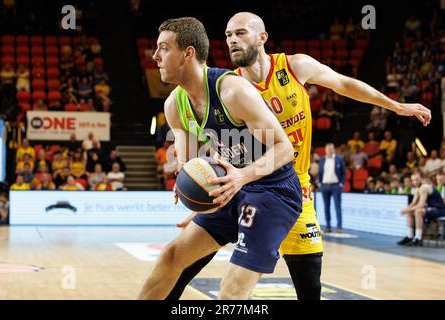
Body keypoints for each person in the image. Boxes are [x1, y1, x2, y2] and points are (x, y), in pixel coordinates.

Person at [166, 12, 432, 301]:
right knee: (186, 263)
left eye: (240, 33)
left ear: (262, 37)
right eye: (228, 35)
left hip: (295, 187)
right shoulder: (228, 87)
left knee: (309, 286)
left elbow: (343, 84)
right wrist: (206, 191)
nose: (232, 40)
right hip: (246, 187)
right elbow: (222, 146)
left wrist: (396, 106)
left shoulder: (295, 66)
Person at [138, 17, 302, 300]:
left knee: (231, 291)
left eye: (163, 48)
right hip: (229, 188)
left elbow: (284, 148)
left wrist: (242, 176)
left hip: (272, 191)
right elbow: (192, 163)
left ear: (188, 53)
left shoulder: (232, 91)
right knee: (171, 256)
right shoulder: (174, 105)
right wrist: (196, 193)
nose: (155, 57)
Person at [398, 173, 445, 246]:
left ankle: (418, 238)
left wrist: (407, 210)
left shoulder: (424, 187)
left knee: (418, 211)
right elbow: (413, 203)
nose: (415, 182)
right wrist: (406, 209)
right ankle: (409, 236)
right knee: (410, 212)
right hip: (430, 208)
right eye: (413, 180)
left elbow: (421, 205)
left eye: (417, 180)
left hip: (439, 209)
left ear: (421, 179)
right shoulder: (417, 189)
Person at [318, 143, 346, 233]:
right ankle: (328, 226)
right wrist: (320, 183)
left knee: (337, 207)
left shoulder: (339, 159)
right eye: (328, 149)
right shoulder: (322, 160)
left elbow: (343, 172)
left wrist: (341, 184)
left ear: (334, 150)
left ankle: (339, 227)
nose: (329, 150)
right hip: (325, 186)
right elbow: (320, 172)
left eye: (331, 149)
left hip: (336, 186)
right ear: (325, 150)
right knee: (326, 207)